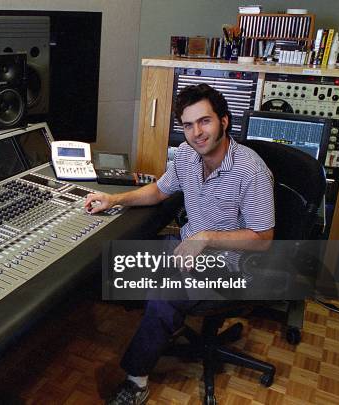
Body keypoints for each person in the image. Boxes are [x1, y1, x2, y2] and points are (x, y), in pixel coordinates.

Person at [84, 83, 275, 405]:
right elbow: (159, 190)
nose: (196, 133)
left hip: (230, 263)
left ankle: (136, 382)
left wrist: (207, 238)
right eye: (188, 125)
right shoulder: (186, 155)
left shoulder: (251, 170)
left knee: (164, 293)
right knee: (115, 260)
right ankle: (160, 327)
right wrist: (113, 199)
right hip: (186, 247)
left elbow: (263, 240)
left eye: (204, 121)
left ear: (224, 121)